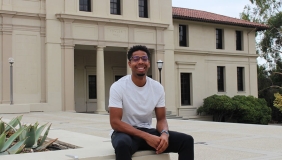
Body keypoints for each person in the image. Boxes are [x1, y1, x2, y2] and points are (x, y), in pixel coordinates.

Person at [108, 45, 194, 160]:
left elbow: (162, 119)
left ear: (148, 63)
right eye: (135, 59)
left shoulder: (157, 87)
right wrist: (147, 137)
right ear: (129, 64)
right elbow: (115, 123)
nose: (140, 62)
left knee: (186, 141)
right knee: (122, 144)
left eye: (144, 58)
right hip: (125, 133)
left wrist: (164, 134)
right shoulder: (118, 87)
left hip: (147, 131)